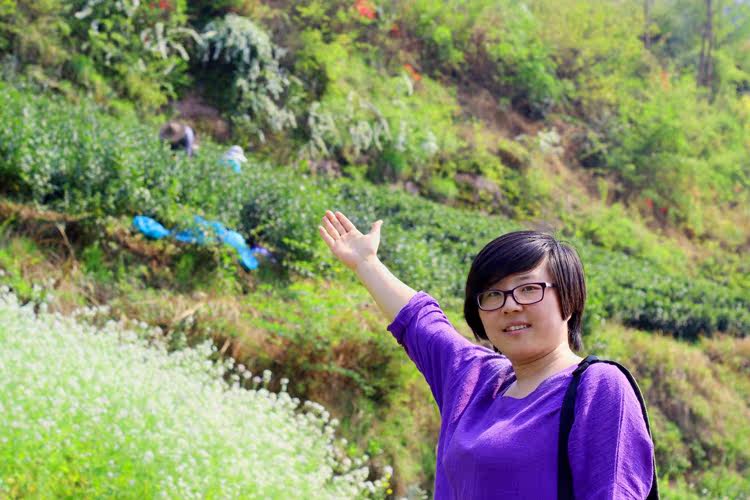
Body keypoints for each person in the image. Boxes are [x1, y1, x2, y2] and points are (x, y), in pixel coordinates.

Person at [318, 210, 655, 499]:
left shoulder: (598, 387)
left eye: (528, 289)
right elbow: (420, 321)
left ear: (568, 299)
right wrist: (366, 263)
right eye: (493, 295)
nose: (510, 306)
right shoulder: (475, 379)